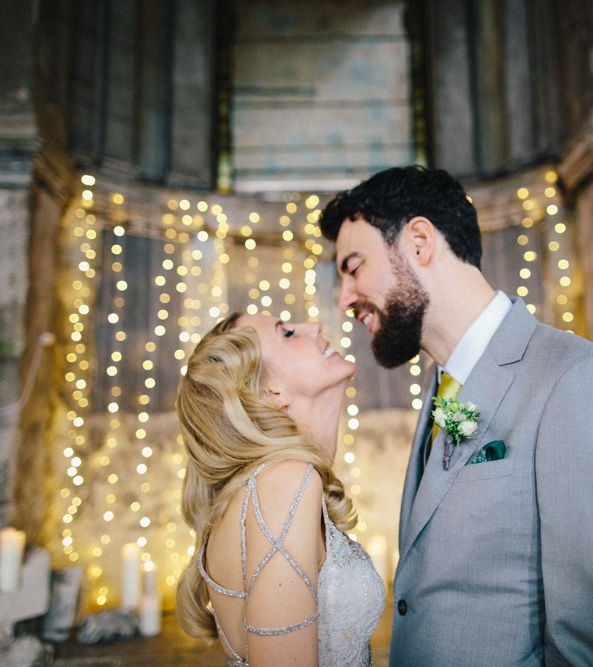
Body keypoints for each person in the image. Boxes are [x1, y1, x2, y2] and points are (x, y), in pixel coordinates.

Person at [319, 165, 593, 666]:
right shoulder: (443, 384)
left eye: (354, 266)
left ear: (419, 241)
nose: (345, 299)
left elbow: (582, 635)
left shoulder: (569, 377)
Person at [175, 312, 385, 666]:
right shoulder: (287, 481)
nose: (315, 326)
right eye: (287, 333)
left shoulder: (269, 482)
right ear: (268, 392)